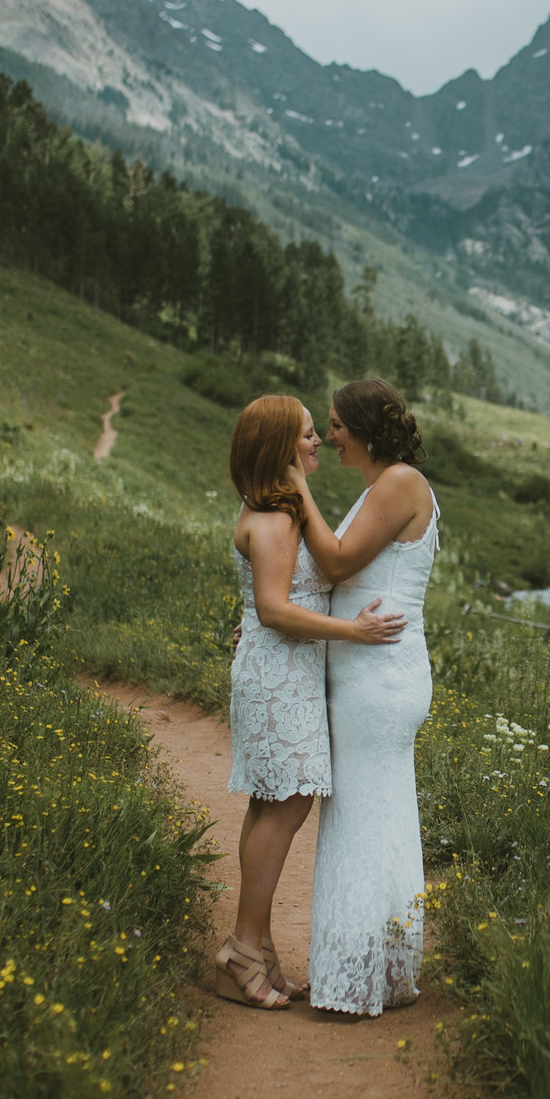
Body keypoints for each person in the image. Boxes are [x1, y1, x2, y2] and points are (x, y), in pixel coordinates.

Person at [221, 395, 403, 1009]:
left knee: (272, 802)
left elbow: (267, 602)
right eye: (305, 435)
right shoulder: (273, 520)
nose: (317, 441)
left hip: (284, 673)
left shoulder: (277, 510)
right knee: (287, 802)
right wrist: (354, 632)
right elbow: (273, 609)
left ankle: (259, 946)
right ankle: (244, 946)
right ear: (280, 448)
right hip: (279, 677)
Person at [290, 378, 439, 1017]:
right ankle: (381, 968)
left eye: (336, 426)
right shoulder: (383, 486)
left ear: (366, 429)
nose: (327, 437)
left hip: (379, 677)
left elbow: (337, 564)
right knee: (379, 816)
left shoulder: (401, 483)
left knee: (359, 817)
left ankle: (354, 976)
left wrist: (295, 484)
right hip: (367, 672)